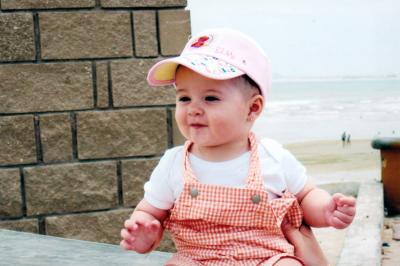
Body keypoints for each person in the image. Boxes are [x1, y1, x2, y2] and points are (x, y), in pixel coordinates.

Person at [120, 28, 355, 265]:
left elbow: (306, 196)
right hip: (198, 259)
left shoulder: (272, 156)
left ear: (252, 108)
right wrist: (143, 234)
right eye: (184, 98)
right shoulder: (174, 163)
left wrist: (326, 211)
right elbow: (150, 212)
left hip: (265, 258)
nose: (193, 108)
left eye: (210, 98)